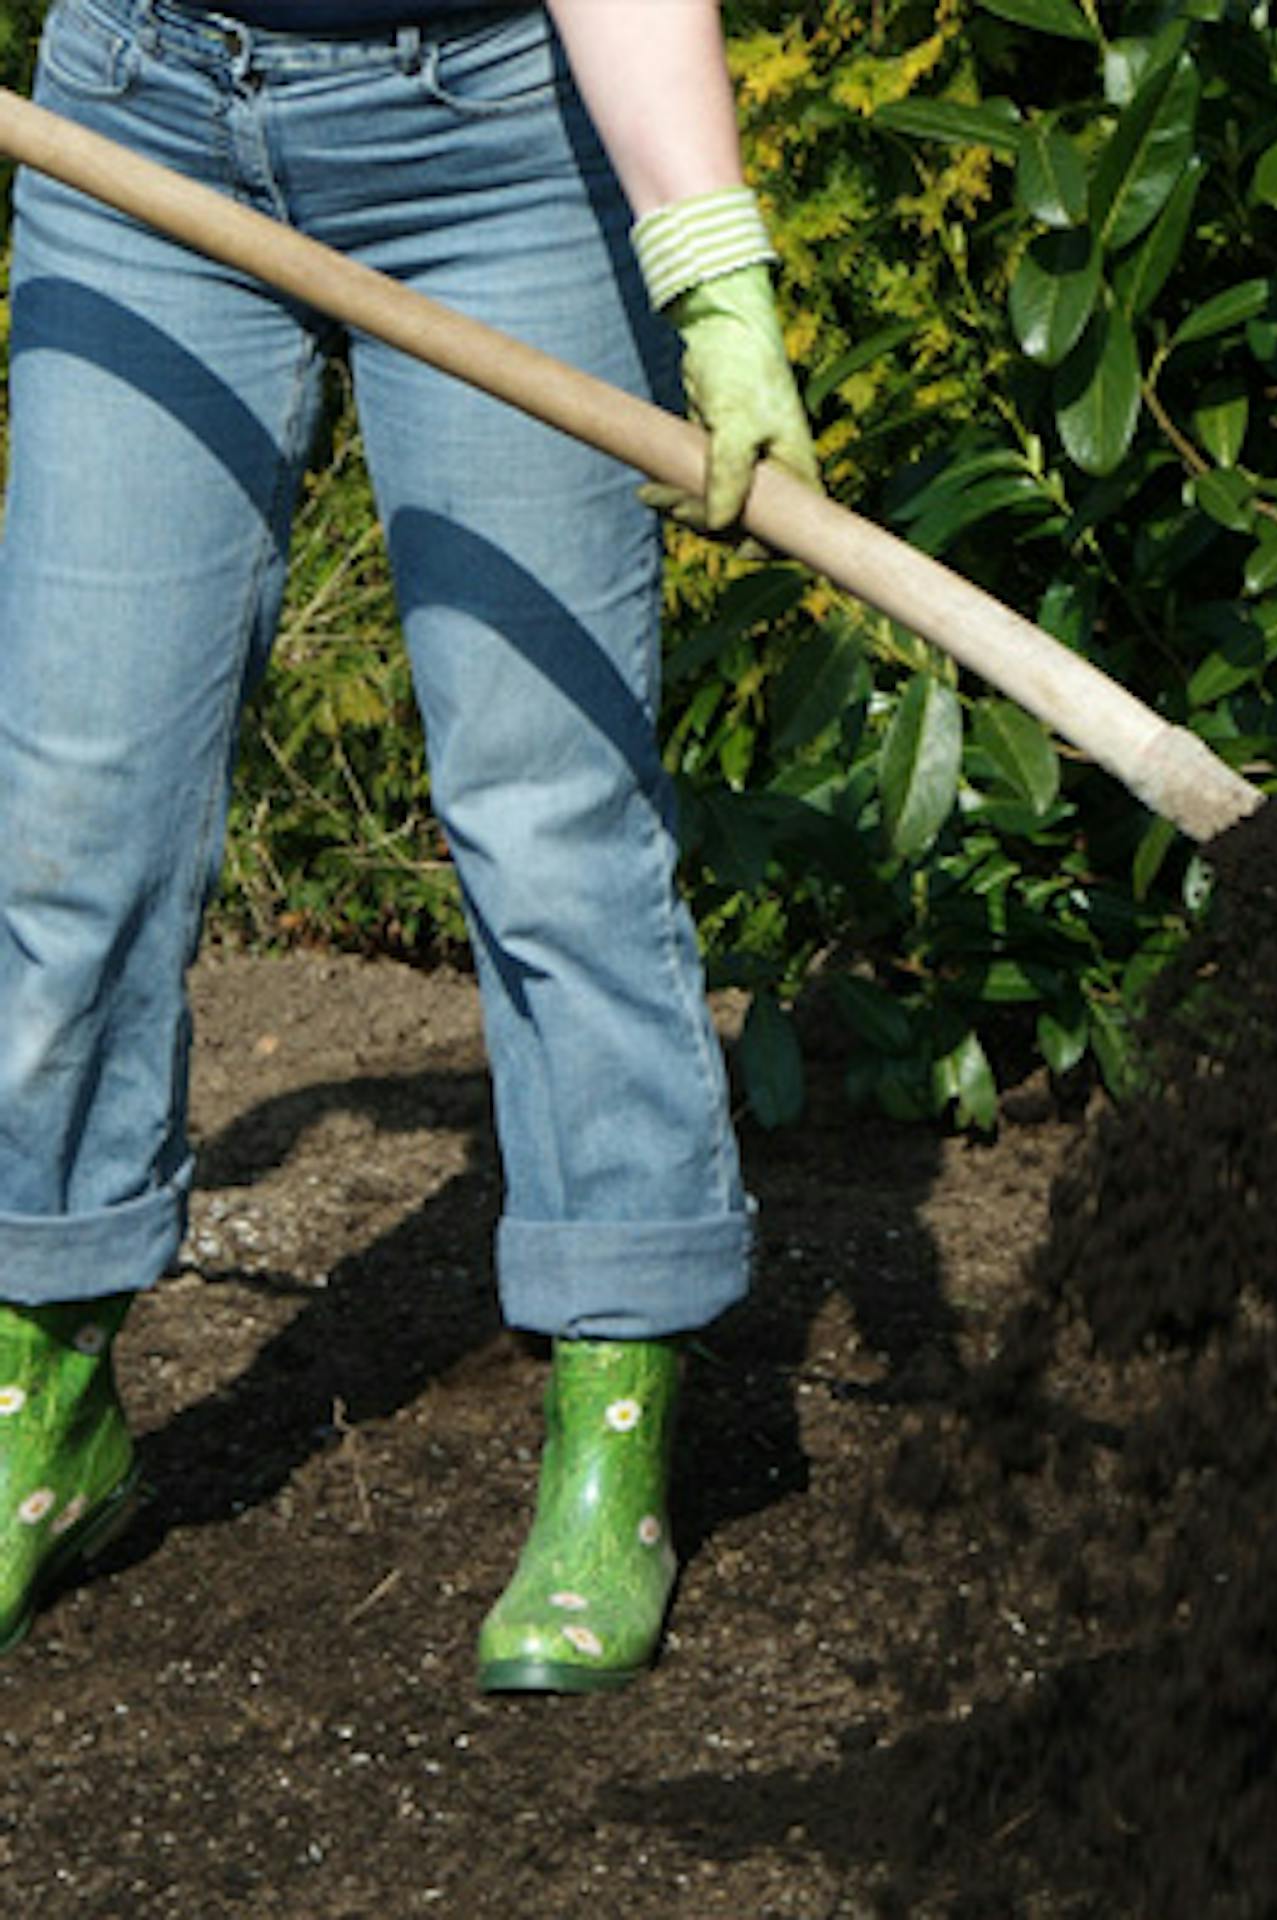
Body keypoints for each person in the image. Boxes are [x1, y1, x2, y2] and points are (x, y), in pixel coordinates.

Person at [0, 0, 817, 1693]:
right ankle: (43, 1390)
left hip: (498, 148)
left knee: (548, 811)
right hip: (133, 115)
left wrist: (714, 267)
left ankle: (617, 1410)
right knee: (73, 804)